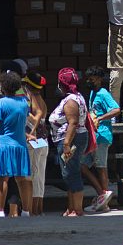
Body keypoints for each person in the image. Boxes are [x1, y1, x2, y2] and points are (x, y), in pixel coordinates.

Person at [0, 72, 32, 218]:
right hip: (20, 145)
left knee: (3, 179)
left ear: (3, 87)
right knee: (22, 179)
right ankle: (26, 211)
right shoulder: (24, 102)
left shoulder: (2, 103)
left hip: (3, 145)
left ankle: (1, 210)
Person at [48, 68, 89, 217]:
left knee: (72, 172)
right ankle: (71, 207)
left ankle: (77, 209)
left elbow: (73, 123)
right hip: (71, 138)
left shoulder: (71, 100)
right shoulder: (75, 97)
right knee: (68, 173)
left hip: (71, 139)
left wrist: (66, 144)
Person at [82, 66, 121, 213]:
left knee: (101, 167)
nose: (89, 81)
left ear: (99, 79)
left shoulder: (104, 93)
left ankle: (104, 201)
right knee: (83, 166)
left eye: (92, 79)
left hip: (102, 135)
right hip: (94, 136)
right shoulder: (93, 92)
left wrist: (100, 118)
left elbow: (116, 109)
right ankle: (102, 194)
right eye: (88, 79)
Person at [23, 72, 49, 216]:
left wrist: (32, 129)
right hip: (42, 141)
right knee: (39, 178)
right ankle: (38, 210)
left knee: (32, 177)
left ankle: (34, 211)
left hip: (35, 142)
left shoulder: (31, 97)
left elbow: (38, 115)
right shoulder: (40, 97)